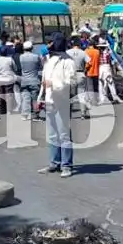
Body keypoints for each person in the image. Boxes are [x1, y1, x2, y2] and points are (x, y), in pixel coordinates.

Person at [38, 33, 77, 178]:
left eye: (51, 42)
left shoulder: (68, 61)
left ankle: (67, 165)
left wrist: (54, 84)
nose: (48, 45)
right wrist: (40, 97)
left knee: (64, 134)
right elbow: (44, 80)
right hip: (49, 100)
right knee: (53, 134)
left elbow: (71, 82)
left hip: (62, 101)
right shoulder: (49, 60)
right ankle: (54, 163)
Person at [18, 40, 43, 121]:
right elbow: (40, 67)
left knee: (25, 98)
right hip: (34, 80)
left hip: (24, 80)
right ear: (32, 48)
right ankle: (35, 115)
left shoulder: (21, 57)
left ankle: (24, 115)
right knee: (35, 98)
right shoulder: (36, 56)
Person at [67, 37, 91, 119]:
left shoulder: (67, 52)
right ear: (79, 44)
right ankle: (83, 114)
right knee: (81, 94)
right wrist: (85, 69)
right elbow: (89, 62)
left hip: (70, 75)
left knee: (70, 95)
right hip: (81, 74)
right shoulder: (83, 52)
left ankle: (68, 113)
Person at [84, 38, 101, 109]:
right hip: (96, 71)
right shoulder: (97, 51)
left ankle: (92, 101)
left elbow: (87, 63)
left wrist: (85, 69)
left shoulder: (86, 51)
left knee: (90, 87)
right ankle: (96, 100)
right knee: (96, 86)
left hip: (89, 71)